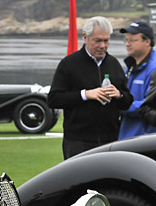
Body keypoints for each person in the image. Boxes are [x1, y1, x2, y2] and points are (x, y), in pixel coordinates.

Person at [47, 16, 133, 159]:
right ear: (85, 38)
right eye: (97, 40)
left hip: (110, 140)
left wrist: (119, 95)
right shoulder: (69, 64)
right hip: (78, 141)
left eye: (106, 41)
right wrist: (85, 95)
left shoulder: (114, 64)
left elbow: (128, 101)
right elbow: (54, 99)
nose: (103, 46)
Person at [117, 21, 156, 140]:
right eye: (126, 40)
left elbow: (151, 105)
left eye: (133, 40)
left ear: (147, 42)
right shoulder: (131, 65)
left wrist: (118, 104)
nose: (127, 44)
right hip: (128, 135)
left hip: (144, 139)